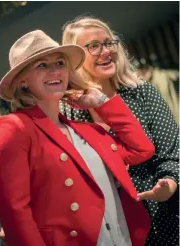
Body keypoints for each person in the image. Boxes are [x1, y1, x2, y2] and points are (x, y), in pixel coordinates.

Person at [0, 30, 155, 246]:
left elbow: (142, 149)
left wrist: (101, 102)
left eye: (60, 63)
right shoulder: (14, 128)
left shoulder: (87, 130)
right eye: (42, 65)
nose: (54, 71)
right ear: (22, 82)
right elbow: (15, 213)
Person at [61, 16, 179, 246]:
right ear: (75, 59)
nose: (106, 51)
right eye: (93, 46)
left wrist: (170, 183)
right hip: (113, 225)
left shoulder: (142, 93)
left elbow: (171, 151)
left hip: (165, 214)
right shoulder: (68, 112)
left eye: (109, 43)